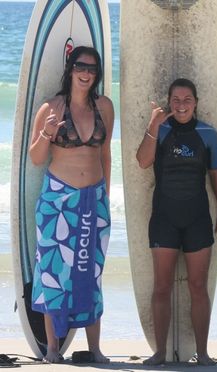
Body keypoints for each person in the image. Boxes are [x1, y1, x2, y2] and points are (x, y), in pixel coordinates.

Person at [29, 46, 114, 363]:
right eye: (80, 66)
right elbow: (36, 158)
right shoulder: (51, 108)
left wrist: (106, 196)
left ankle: (95, 348)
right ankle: (52, 347)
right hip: (58, 200)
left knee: (90, 273)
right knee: (53, 271)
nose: (86, 72)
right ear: (70, 68)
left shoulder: (104, 106)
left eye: (92, 68)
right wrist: (47, 134)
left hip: (93, 198)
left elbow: (105, 155)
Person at [136, 78, 217, 366]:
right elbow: (142, 161)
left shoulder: (208, 134)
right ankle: (159, 352)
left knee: (198, 287)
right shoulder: (160, 131)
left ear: (196, 102)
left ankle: (202, 352)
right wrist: (153, 124)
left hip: (197, 218)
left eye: (187, 99)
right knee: (161, 287)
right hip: (164, 217)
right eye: (176, 100)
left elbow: (215, 175)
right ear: (169, 102)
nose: (181, 105)